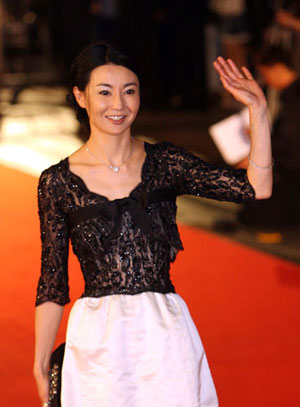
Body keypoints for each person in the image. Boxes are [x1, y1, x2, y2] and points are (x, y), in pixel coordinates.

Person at [33, 41, 272, 407]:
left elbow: (255, 187)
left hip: (165, 332)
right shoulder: (57, 183)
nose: (119, 104)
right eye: (105, 92)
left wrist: (257, 109)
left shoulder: (166, 163)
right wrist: (39, 363)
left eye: (130, 91)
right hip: (96, 339)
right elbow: (53, 280)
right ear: (80, 97)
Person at [236, 46, 300, 232]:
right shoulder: (290, 96)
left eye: (266, 73)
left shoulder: (295, 99)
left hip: (291, 173)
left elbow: (291, 146)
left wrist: (258, 160)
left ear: (278, 68)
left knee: (254, 213)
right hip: (287, 164)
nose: (266, 80)